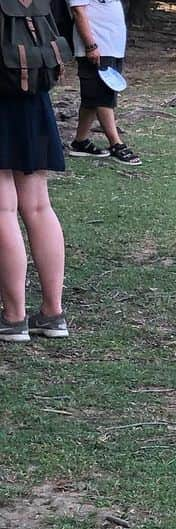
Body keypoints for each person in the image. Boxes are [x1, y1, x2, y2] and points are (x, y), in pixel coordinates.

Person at [0, 88, 68, 342]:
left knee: (3, 209)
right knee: (39, 206)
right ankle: (53, 312)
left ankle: (14, 317)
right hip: (32, 95)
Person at [67, 0, 141, 166]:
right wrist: (91, 46)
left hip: (112, 46)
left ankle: (80, 141)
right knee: (103, 96)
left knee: (92, 97)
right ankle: (116, 143)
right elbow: (78, 11)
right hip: (96, 47)